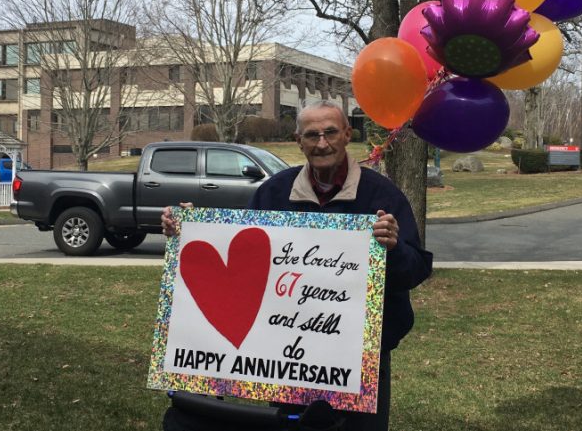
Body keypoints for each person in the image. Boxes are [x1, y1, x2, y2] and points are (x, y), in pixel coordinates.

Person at [161, 100, 433, 431]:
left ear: (348, 134)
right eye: (312, 135)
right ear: (298, 141)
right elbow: (242, 260)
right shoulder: (274, 193)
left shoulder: (381, 196)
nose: (322, 143)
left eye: (330, 132)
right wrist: (189, 230)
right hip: (286, 356)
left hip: (360, 358)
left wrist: (392, 248)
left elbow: (417, 270)